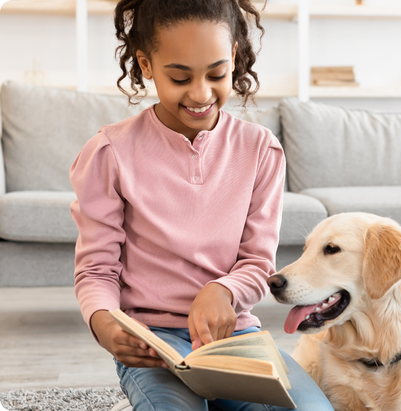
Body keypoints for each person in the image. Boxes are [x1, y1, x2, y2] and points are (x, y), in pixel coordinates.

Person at [69, 1, 334, 410]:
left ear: (232, 59)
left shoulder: (261, 150)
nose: (200, 94)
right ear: (145, 64)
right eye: (179, 77)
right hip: (153, 345)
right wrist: (103, 321)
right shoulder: (109, 152)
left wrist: (222, 292)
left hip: (237, 339)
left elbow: (258, 263)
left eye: (216, 74)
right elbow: (96, 268)